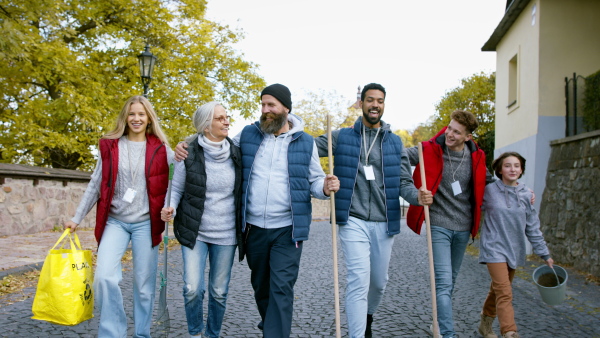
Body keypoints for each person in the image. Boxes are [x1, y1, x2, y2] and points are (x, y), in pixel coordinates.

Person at [175, 83, 340, 338]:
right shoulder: (249, 135)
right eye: (263, 105)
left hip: (288, 228)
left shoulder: (305, 143)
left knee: (281, 288)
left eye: (271, 105)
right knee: (262, 288)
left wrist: (326, 187)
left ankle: (275, 333)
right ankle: (272, 323)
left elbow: (314, 182)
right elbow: (216, 145)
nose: (265, 110)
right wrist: (185, 146)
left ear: (286, 108)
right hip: (253, 229)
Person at [314, 83, 433, 338]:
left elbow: (404, 183)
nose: (374, 105)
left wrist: (417, 197)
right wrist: (320, 180)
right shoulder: (341, 137)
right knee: (358, 280)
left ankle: (367, 317)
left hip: (384, 220)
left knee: (378, 283)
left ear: (384, 105)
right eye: (370, 100)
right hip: (352, 218)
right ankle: (357, 334)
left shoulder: (395, 142)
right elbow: (306, 149)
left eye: (379, 101)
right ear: (362, 104)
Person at [64, 95, 173, 337]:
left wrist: (170, 207)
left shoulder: (161, 148)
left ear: (149, 119)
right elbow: (95, 185)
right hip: (115, 221)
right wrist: (76, 218)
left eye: (141, 114)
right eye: (132, 114)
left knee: (144, 287)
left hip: (146, 223)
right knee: (104, 277)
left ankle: (142, 334)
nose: (136, 118)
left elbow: (174, 181)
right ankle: (113, 332)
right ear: (125, 117)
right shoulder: (110, 146)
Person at [406, 110, 493, 338]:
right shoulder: (429, 150)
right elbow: (399, 156)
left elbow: (490, 180)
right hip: (438, 225)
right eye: (449, 128)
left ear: (467, 137)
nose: (450, 134)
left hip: (463, 228)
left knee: (449, 282)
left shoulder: (476, 157)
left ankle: (437, 322)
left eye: (457, 132)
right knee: (443, 283)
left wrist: (521, 191)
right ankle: (448, 333)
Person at [161, 102, 242, 338]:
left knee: (219, 291)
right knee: (192, 288)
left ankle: (212, 334)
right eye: (219, 118)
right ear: (206, 126)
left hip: (226, 233)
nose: (226, 121)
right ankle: (196, 333)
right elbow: (176, 188)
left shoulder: (237, 151)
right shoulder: (188, 151)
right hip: (195, 231)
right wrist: (171, 207)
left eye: (227, 117)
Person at [477, 152, 553, 338]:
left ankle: (485, 323)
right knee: (504, 291)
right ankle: (509, 331)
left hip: (514, 249)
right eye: (508, 165)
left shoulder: (526, 195)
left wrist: (545, 254)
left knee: (497, 290)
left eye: (516, 166)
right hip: (493, 248)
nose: (512, 169)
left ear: (521, 170)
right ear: (500, 169)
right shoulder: (489, 191)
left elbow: (533, 228)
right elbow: (470, 203)